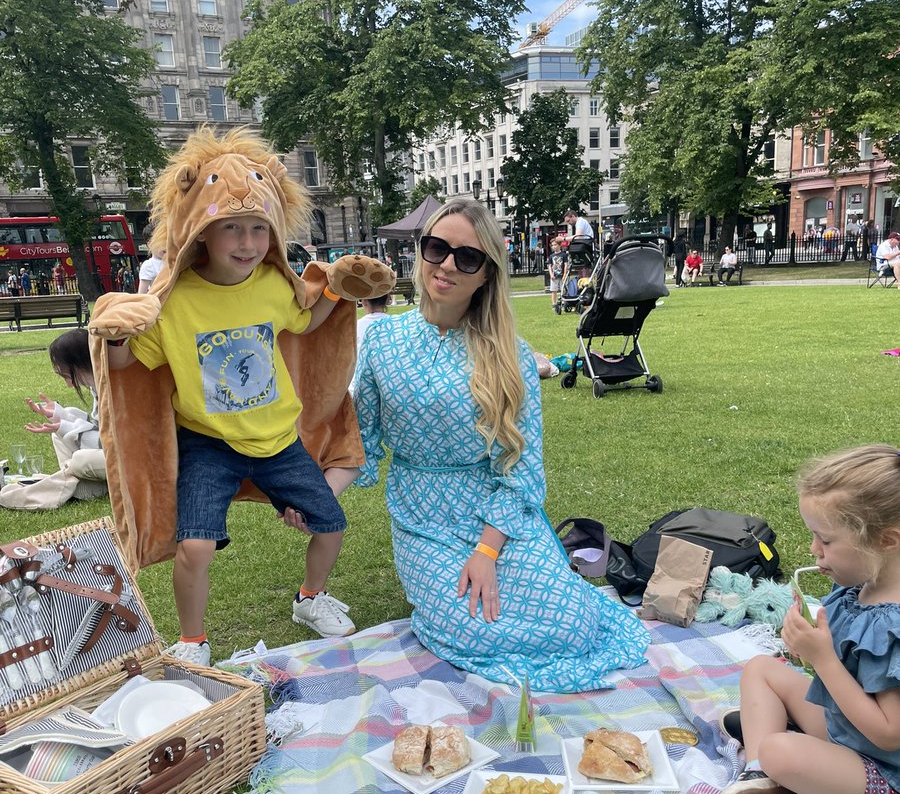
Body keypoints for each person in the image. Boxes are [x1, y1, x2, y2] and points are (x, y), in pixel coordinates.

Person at [352, 197, 650, 692]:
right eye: (436, 248)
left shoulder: (508, 354)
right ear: (421, 252)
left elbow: (522, 467)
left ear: (486, 273)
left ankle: (520, 587)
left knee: (573, 627)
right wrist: (311, 496)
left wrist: (488, 552)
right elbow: (357, 443)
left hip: (499, 515)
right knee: (468, 625)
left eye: (466, 257)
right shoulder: (380, 339)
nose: (446, 264)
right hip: (422, 517)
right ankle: (437, 603)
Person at [106, 127, 362, 666]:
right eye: (231, 229)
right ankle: (192, 640)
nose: (247, 243)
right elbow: (127, 366)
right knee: (194, 546)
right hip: (207, 444)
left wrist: (337, 289)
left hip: (277, 439)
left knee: (331, 523)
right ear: (201, 231)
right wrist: (114, 334)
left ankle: (310, 598)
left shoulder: (272, 286)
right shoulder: (173, 302)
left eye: (257, 229)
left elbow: (305, 321)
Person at [717, 445, 900, 794]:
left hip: (884, 771)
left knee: (779, 750)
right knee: (761, 668)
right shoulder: (860, 587)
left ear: (887, 540)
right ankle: (760, 774)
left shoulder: (894, 626)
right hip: (845, 730)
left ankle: (779, 766)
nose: (814, 550)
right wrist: (805, 649)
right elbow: (844, 670)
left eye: (826, 540)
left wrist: (823, 660)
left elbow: (888, 734)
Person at [0, 329, 107, 510]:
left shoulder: (112, 387)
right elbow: (97, 426)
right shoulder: (96, 386)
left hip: (127, 462)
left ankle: (17, 496)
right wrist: (60, 415)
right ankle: (79, 487)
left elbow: (106, 442)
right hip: (107, 463)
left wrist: (63, 425)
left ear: (82, 363)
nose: (69, 384)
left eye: (68, 376)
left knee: (81, 459)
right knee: (58, 435)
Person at [547, 238, 565, 310]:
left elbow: (566, 265)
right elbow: (549, 266)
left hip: (562, 274)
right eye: (552, 245)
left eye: (555, 245)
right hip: (554, 275)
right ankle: (554, 304)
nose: (554, 246)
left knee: (563, 290)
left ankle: (563, 303)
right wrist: (551, 274)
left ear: (559, 245)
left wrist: (564, 274)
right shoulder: (551, 256)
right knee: (553, 290)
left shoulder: (563, 255)